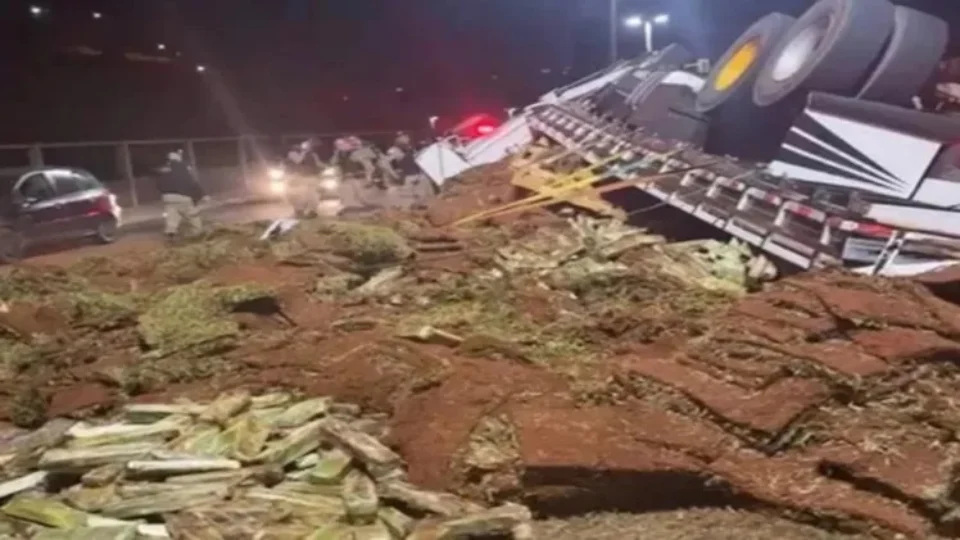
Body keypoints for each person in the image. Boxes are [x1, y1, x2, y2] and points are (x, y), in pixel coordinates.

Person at [157, 149, 206, 239]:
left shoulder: (164, 169)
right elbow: (191, 183)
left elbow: (159, 184)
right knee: (192, 216)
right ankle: (196, 233)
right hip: (182, 196)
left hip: (167, 198)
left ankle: (170, 233)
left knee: (172, 216)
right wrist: (202, 194)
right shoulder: (183, 168)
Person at [386, 131, 434, 209]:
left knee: (427, 197)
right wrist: (399, 177)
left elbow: (416, 160)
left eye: (404, 136)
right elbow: (394, 166)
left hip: (419, 175)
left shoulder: (409, 148)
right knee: (413, 200)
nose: (404, 139)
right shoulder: (393, 151)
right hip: (408, 177)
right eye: (401, 137)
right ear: (396, 140)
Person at [283, 139, 324, 217]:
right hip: (298, 177)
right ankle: (299, 211)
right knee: (299, 195)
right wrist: (304, 152)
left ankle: (312, 211)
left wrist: (322, 166)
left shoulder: (312, 154)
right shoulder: (292, 153)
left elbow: (318, 163)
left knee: (312, 195)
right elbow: (299, 160)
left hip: (311, 176)